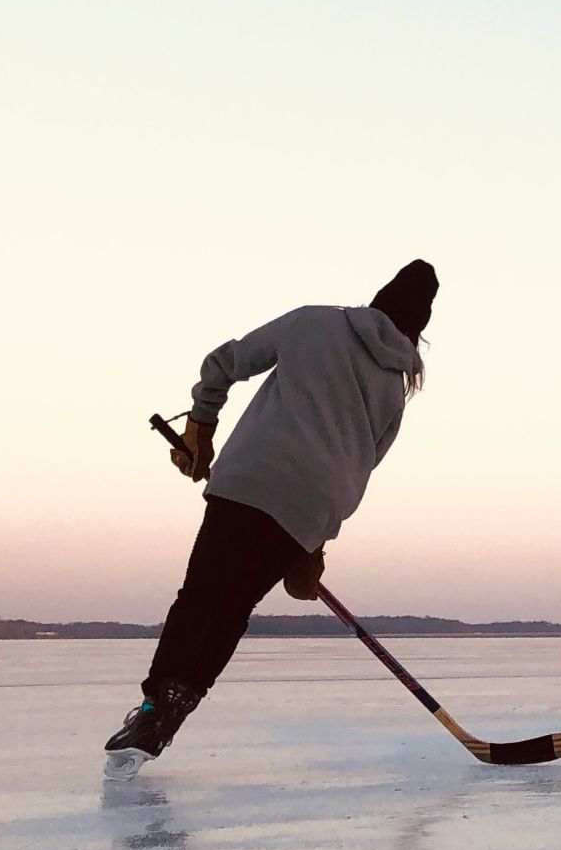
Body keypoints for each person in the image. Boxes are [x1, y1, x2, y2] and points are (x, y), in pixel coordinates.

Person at [103, 260, 438, 780]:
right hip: (309, 511)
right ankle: (173, 711)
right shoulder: (396, 388)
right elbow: (360, 467)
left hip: (252, 477)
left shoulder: (314, 322)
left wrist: (201, 426)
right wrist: (315, 542)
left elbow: (223, 363)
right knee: (232, 605)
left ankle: (155, 710)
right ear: (417, 331)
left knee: (201, 595)